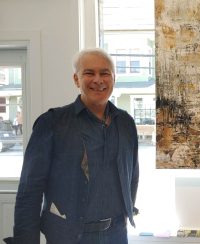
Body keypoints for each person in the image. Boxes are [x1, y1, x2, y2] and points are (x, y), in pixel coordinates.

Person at [4, 48, 139, 244]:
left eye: (105, 73)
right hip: (68, 237)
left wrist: (127, 212)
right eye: (89, 73)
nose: (98, 80)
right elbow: (30, 190)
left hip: (116, 234)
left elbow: (132, 175)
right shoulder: (52, 123)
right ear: (76, 79)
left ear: (113, 79)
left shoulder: (126, 123)